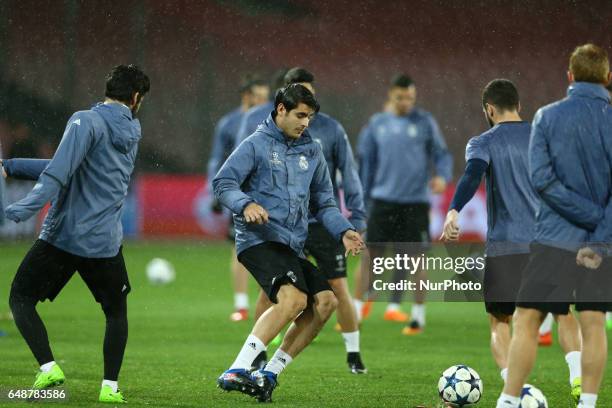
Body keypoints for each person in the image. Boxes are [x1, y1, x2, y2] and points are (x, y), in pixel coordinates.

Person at [4, 65, 150, 404]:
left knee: (20, 299)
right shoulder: (132, 130)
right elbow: (68, 166)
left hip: (65, 237)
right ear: (136, 98)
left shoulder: (85, 120)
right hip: (105, 243)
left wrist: (25, 207)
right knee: (116, 313)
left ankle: (49, 366)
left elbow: (58, 170)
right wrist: (11, 165)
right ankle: (110, 388)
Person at [213, 84, 364, 402]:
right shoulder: (255, 144)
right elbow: (223, 182)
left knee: (326, 302)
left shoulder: (312, 152)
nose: (305, 123)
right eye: (300, 115)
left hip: (291, 245)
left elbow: (324, 203)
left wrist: (343, 230)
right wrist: (245, 205)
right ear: (280, 109)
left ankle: (270, 373)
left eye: (309, 117)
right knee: (294, 300)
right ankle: (238, 368)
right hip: (259, 241)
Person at [441, 78, 582, 401]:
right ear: (519, 105)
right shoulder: (544, 135)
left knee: (499, 320)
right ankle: (577, 379)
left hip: (507, 247)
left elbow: (472, 175)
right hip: (549, 244)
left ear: (489, 109)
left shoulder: (483, 142)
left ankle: (512, 389)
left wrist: (453, 210)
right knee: (564, 313)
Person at [495, 44, 612, 408]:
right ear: (608, 78)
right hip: (601, 245)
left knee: (528, 319)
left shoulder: (547, 117)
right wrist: (599, 229)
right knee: (592, 322)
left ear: (570, 76)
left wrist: (581, 215)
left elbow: (542, 180)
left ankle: (510, 401)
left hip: (554, 241)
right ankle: (589, 405)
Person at [252, 67, 368, 374]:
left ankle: (354, 353)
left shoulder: (331, 130)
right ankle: (258, 353)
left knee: (337, 288)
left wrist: (355, 217)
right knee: (272, 290)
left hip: (324, 223)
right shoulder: (269, 133)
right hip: (287, 225)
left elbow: (349, 173)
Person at [357, 74, 452, 334]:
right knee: (370, 257)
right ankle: (355, 312)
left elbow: (442, 154)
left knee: (415, 260)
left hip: (415, 203)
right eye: (401, 97)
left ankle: (417, 317)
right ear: (391, 96)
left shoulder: (424, 122)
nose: (406, 102)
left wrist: (442, 176)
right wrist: (363, 202)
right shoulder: (377, 124)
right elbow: (367, 165)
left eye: (410, 97)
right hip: (382, 200)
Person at [206, 75, 269, 322]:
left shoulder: (270, 120)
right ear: (247, 96)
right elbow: (217, 158)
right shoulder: (229, 124)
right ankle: (241, 304)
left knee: (269, 248)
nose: (265, 102)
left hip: (265, 193)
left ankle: (266, 303)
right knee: (239, 246)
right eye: (260, 97)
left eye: (267, 97)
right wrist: (216, 191)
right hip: (240, 194)